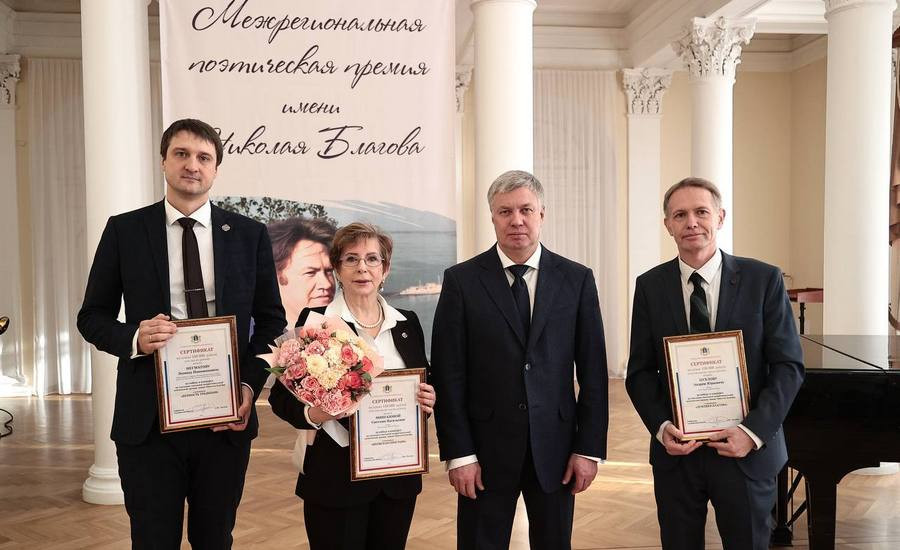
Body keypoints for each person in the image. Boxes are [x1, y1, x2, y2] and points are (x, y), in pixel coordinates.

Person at [77, 118, 286, 548]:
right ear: (163, 161)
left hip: (225, 419)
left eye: (204, 157)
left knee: (215, 539)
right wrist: (134, 338)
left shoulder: (249, 235)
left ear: (215, 169)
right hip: (147, 421)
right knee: (152, 539)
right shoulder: (125, 230)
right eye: (182, 154)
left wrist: (248, 386)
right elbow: (92, 317)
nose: (193, 165)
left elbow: (270, 323)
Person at [431, 170, 609, 550]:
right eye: (505, 211)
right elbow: (449, 374)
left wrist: (588, 448)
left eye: (526, 210)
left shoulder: (577, 279)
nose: (516, 220)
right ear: (492, 217)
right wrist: (459, 454)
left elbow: (593, 372)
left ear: (542, 214)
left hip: (557, 450)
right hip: (484, 452)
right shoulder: (461, 281)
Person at [625, 177, 805, 550]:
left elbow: (788, 367)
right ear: (668, 225)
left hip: (746, 452)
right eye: (680, 215)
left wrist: (752, 432)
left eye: (701, 212)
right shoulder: (650, 286)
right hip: (678, 454)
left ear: (720, 217)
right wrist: (662, 427)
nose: (691, 222)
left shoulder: (763, 279)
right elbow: (639, 372)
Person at [268, 222, 437, 550]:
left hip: (396, 477)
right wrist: (315, 414)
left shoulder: (407, 323)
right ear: (337, 268)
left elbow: (421, 389)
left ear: (385, 269)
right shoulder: (315, 321)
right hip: (334, 479)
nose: (363, 267)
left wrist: (428, 400)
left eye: (372, 259)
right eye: (351, 259)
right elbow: (280, 398)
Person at [268, 216, 337, 327]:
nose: (327, 284)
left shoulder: (351, 332)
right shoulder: (245, 333)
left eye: (329, 271)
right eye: (310, 273)